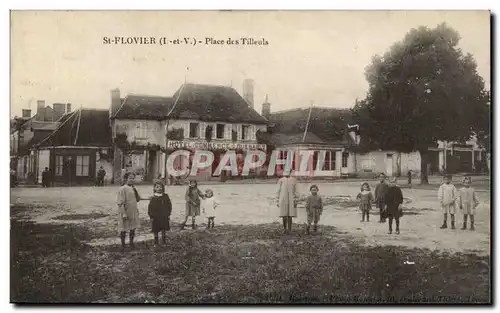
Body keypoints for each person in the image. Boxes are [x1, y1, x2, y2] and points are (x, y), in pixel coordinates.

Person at [117, 172, 143, 249]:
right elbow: (120, 203)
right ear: (125, 179)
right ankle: (123, 244)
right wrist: (124, 213)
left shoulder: (133, 188)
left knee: (133, 227)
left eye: (133, 178)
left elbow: (137, 199)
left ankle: (131, 243)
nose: (132, 180)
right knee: (123, 228)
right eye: (130, 178)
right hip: (125, 211)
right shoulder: (122, 189)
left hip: (133, 211)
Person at [147, 180, 172, 247]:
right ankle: (156, 242)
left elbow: (169, 205)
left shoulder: (165, 196)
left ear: (163, 188)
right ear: (154, 188)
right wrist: (151, 216)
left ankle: (164, 242)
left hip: (164, 216)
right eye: (157, 187)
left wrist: (168, 214)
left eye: (160, 187)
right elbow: (150, 208)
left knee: (163, 229)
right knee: (156, 229)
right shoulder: (153, 198)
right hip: (156, 217)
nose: (159, 188)